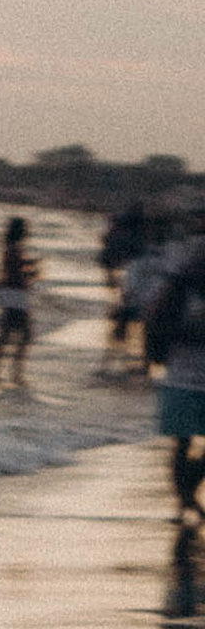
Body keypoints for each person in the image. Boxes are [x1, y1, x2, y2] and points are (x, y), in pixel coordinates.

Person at [128, 215, 205, 524]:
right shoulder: (176, 289)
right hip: (182, 379)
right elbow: (152, 318)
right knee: (181, 443)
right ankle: (183, 502)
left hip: (182, 379)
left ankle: (186, 493)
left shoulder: (176, 286)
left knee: (182, 445)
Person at [99, 203, 152, 365]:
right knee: (133, 322)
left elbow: (108, 259)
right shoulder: (139, 240)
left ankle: (110, 362)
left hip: (136, 286)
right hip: (139, 286)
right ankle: (136, 363)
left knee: (123, 320)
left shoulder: (127, 238)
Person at [0, 214, 38, 383]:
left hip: (10, 294)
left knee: (6, 333)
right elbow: (19, 274)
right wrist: (32, 271)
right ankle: (14, 374)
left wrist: (29, 267)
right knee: (24, 335)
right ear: (21, 232)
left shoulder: (10, 248)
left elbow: (11, 271)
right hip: (16, 296)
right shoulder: (15, 250)